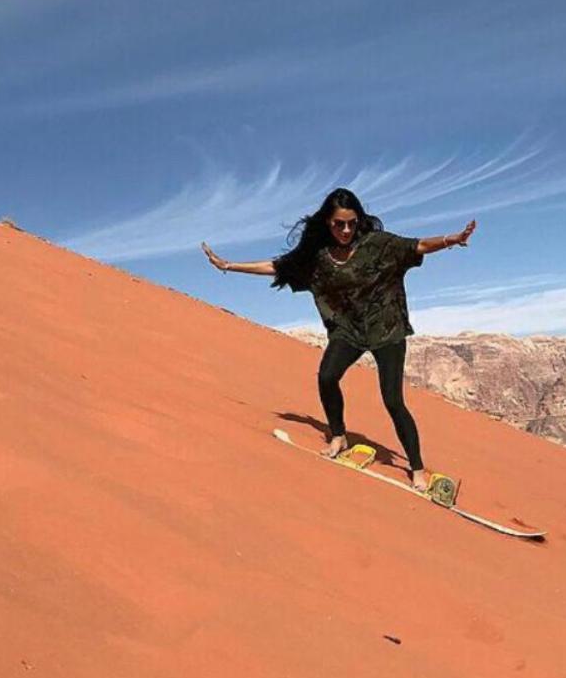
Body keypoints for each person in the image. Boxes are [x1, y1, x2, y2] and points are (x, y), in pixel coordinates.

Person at [202, 187, 475, 492]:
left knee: (393, 400)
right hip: (350, 330)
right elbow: (277, 267)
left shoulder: (377, 245)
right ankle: (338, 435)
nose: (346, 230)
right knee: (327, 376)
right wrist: (229, 266)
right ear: (327, 223)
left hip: (387, 329)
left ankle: (417, 467)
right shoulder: (319, 258)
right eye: (338, 224)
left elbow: (419, 245)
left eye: (351, 223)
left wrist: (451, 240)